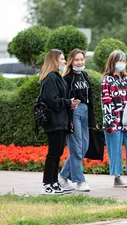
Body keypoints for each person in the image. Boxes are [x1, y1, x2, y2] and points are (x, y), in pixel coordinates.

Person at [39, 49, 80, 195]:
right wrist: (68, 102)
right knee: (53, 154)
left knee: (57, 153)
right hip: (54, 122)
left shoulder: (58, 77)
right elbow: (52, 101)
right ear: (54, 61)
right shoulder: (50, 78)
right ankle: (47, 184)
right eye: (61, 59)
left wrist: (69, 105)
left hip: (61, 121)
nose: (64, 62)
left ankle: (54, 183)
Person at [59, 49, 98, 192]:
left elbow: (91, 100)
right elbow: (65, 101)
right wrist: (68, 120)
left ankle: (62, 177)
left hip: (85, 112)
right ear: (71, 61)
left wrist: (92, 120)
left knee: (84, 147)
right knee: (76, 149)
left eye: (82, 59)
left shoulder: (85, 75)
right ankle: (79, 181)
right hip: (73, 113)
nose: (80, 62)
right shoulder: (66, 78)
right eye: (76, 60)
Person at [101, 50, 127, 187]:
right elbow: (106, 102)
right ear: (112, 62)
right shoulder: (107, 80)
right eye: (119, 61)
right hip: (113, 121)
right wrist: (109, 122)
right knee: (115, 150)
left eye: (123, 61)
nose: (121, 64)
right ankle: (117, 178)